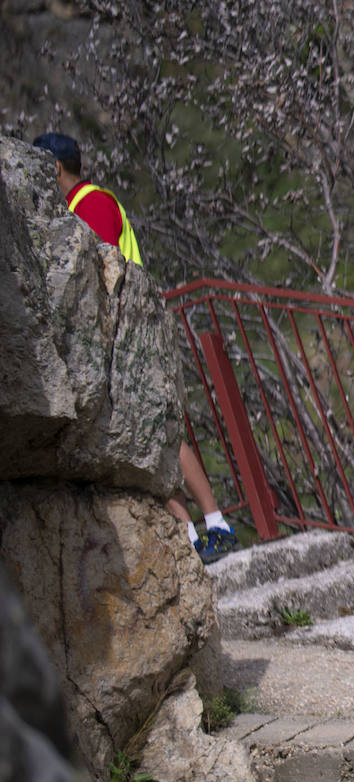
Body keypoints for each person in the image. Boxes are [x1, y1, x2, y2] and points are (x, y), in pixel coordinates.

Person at [33, 132, 237, 563]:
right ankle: (189, 535)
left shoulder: (91, 202)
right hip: (119, 337)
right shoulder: (78, 206)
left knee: (162, 432)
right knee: (143, 442)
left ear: (53, 168)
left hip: (132, 334)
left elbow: (104, 264)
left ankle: (217, 522)